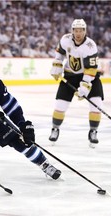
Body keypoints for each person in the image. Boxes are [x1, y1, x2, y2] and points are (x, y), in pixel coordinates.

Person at [49, 19, 103, 147]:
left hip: (91, 77)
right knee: (60, 105)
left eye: (81, 31)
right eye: (76, 30)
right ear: (72, 31)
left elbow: (90, 69)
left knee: (96, 104)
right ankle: (55, 128)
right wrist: (57, 65)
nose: (78, 33)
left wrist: (85, 86)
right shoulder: (65, 39)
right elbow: (60, 53)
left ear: (85, 31)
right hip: (70, 76)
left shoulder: (91, 46)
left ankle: (93, 131)